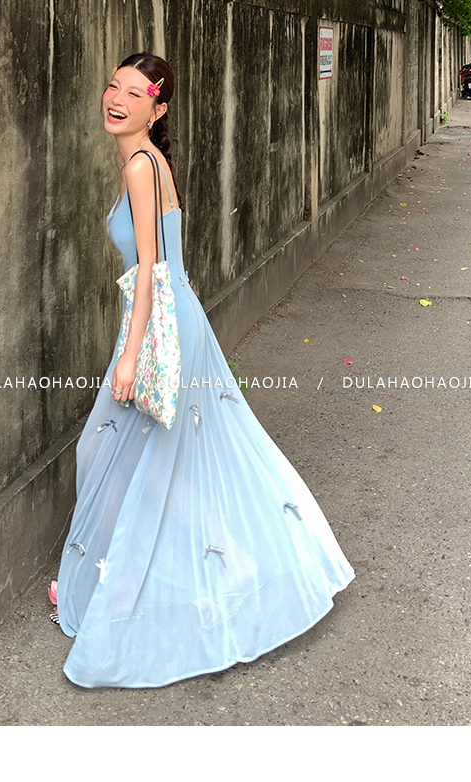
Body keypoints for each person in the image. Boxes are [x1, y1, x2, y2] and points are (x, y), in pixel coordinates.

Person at [49, 52, 355, 688]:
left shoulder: (142, 165)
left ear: (156, 109)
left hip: (159, 325)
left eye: (135, 93)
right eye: (114, 86)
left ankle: (129, 592)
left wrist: (129, 354)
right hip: (168, 319)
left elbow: (151, 271)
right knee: (154, 459)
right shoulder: (144, 161)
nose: (117, 99)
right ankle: (197, 570)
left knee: (113, 453)